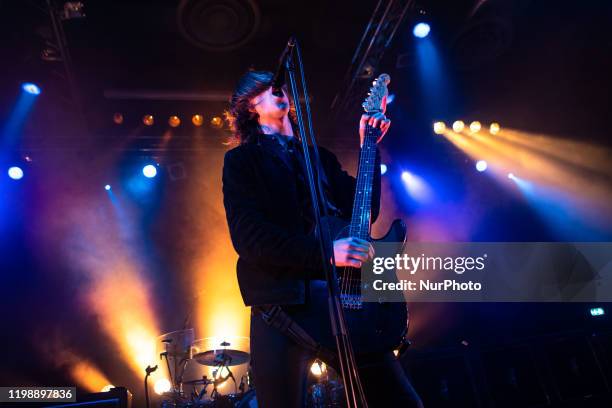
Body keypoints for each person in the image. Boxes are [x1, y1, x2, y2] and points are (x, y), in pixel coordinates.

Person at [222, 70, 423, 407]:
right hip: (281, 305)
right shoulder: (242, 161)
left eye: (279, 85)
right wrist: (327, 253)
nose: (278, 89)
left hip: (341, 301)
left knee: (401, 402)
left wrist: (367, 147)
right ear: (250, 106)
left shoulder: (319, 158)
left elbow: (364, 213)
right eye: (265, 88)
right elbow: (250, 239)